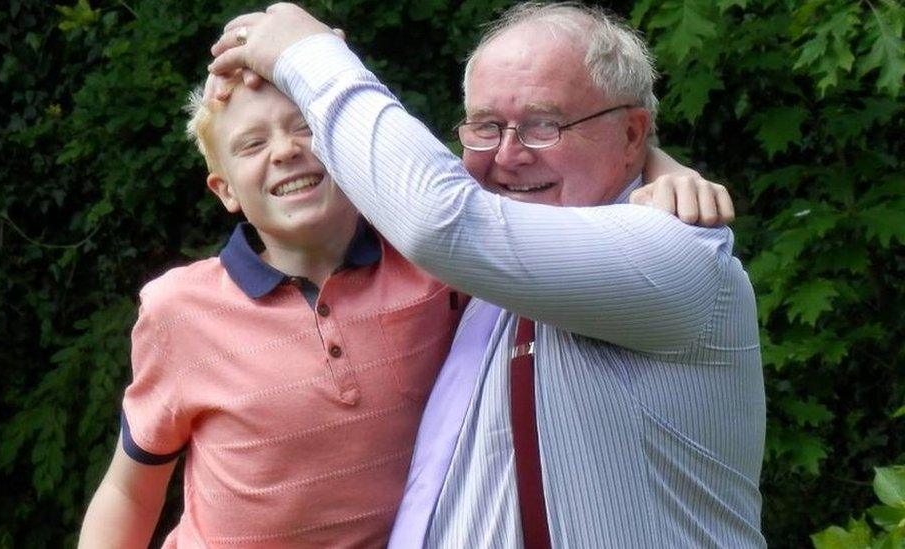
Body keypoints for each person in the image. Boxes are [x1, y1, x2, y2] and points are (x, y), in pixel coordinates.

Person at [77, 45, 724, 548]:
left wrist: (658, 168)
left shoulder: (432, 264)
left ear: (346, 148)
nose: (285, 151)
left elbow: (524, 192)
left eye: (305, 127)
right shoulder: (179, 309)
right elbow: (133, 484)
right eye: (252, 143)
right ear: (224, 189)